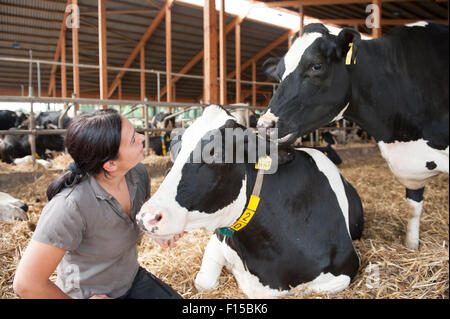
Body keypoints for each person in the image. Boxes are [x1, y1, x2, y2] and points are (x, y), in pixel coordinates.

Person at [13, 109, 183, 299]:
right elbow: (26, 284)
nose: (142, 137)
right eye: (132, 138)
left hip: (130, 280)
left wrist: (157, 233)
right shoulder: (69, 207)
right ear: (110, 165)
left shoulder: (137, 175)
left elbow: (130, 222)